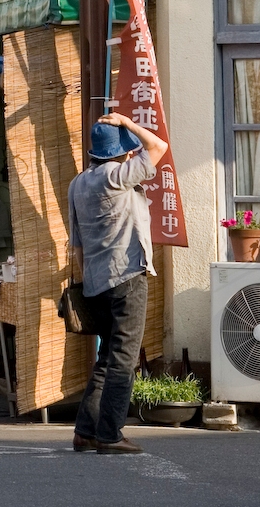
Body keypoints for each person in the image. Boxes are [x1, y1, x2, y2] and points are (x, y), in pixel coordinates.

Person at [69, 111, 167, 455]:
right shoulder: (117, 177)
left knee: (108, 356)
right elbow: (158, 146)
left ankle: (85, 430)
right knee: (124, 359)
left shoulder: (78, 183)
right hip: (127, 277)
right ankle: (110, 434)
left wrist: (87, 281)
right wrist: (128, 122)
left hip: (96, 282)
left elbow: (77, 244)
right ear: (119, 153)